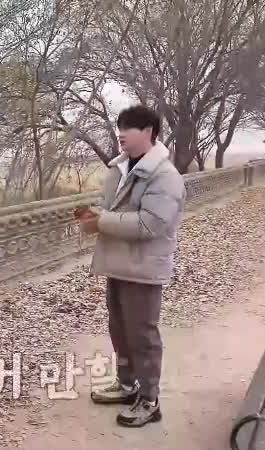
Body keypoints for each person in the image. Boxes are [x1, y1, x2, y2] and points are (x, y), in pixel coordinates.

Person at [77, 105, 186, 427]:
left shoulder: (164, 176)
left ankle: (150, 400)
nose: (121, 134)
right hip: (117, 263)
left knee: (142, 335)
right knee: (120, 329)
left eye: (128, 128)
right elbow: (115, 211)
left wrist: (103, 220)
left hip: (144, 268)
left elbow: (151, 224)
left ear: (148, 132)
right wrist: (93, 219)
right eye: (119, 127)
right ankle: (127, 385)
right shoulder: (120, 168)